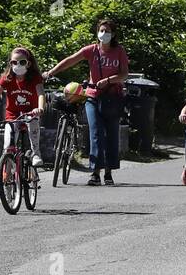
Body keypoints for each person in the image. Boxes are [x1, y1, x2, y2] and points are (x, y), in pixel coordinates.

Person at [44, 18, 129, 186]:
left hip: (112, 98)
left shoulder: (119, 51)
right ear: (97, 32)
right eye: (102, 30)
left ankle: (108, 172)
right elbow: (70, 60)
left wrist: (109, 80)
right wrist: (51, 72)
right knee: (96, 132)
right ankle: (95, 172)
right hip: (92, 96)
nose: (104, 34)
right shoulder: (91, 50)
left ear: (113, 34)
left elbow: (124, 74)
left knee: (111, 134)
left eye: (108, 31)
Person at [0, 47, 46, 167]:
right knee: (8, 145)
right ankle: (7, 173)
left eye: (22, 62)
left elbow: (41, 93)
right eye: (14, 62)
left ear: (28, 63)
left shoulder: (35, 77)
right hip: (12, 114)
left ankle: (36, 153)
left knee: (33, 126)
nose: (17, 65)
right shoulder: (7, 78)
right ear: (10, 63)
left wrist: (40, 108)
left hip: (31, 112)